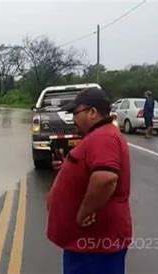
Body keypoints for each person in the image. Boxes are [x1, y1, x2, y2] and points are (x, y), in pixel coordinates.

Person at [48, 87, 132, 274]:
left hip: (94, 247)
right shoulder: (99, 136)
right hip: (88, 246)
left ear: (92, 112)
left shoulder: (103, 137)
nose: (73, 119)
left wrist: (84, 211)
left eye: (75, 113)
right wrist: (67, 169)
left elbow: (106, 179)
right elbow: (95, 172)